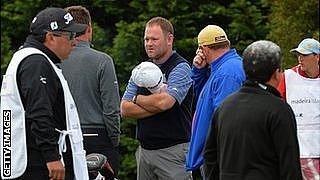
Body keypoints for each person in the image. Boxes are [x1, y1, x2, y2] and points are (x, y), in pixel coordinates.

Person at [0, 7, 89, 180]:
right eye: (70, 36)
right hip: (37, 165)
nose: (75, 42)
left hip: (26, 159)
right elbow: (39, 112)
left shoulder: (27, 57)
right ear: (50, 37)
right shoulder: (36, 62)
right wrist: (52, 156)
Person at [203, 40, 302, 180]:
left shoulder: (224, 107)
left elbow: (210, 156)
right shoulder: (279, 110)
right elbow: (289, 165)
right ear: (276, 73)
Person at [120, 17, 193, 180]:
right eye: (146, 39)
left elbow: (165, 103)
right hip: (144, 153)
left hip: (173, 153)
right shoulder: (141, 70)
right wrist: (158, 105)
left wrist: (137, 99)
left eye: (154, 39)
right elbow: (124, 109)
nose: (149, 43)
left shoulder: (181, 68)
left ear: (169, 39)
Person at [60, 6, 121, 177]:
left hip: (65, 138)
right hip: (97, 136)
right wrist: (114, 140)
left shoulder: (54, 61)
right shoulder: (103, 60)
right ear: (89, 29)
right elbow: (111, 108)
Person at [186, 25, 245, 172]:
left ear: (203, 49)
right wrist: (199, 71)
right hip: (216, 155)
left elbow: (225, 120)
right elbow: (203, 97)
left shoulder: (227, 73)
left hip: (219, 158)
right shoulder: (221, 68)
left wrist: (214, 158)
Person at [277, 38, 320, 179]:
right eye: (298, 55)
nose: (300, 58)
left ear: (317, 57)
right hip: (299, 150)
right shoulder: (288, 77)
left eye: (305, 55)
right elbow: (277, 107)